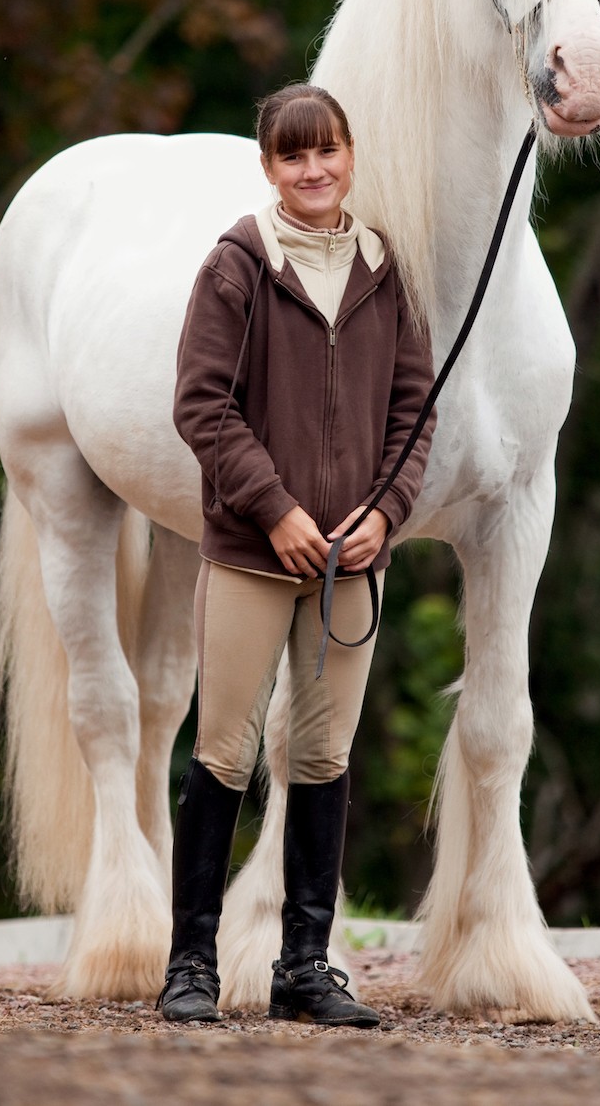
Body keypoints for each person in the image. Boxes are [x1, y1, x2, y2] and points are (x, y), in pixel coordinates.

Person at [158, 81, 436, 1028]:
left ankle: (304, 967)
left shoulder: (384, 269)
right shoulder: (239, 264)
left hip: (351, 566)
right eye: (292, 156)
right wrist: (273, 508)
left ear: (351, 155)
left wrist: (388, 512)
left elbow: (413, 411)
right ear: (269, 166)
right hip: (249, 557)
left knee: (323, 756)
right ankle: (190, 962)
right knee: (225, 753)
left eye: (327, 152)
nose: (313, 170)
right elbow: (202, 404)